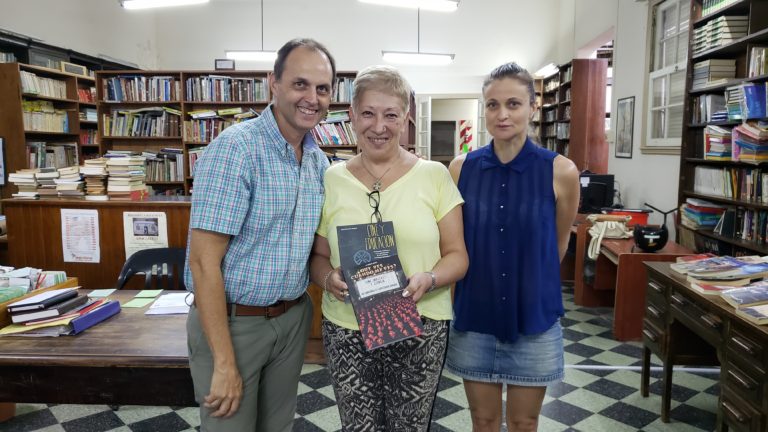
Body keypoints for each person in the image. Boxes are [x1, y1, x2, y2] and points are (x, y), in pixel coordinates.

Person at [184, 38, 335, 432]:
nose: (312, 98)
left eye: (322, 88)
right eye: (300, 84)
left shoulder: (319, 162)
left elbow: (316, 252)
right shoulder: (236, 150)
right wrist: (224, 361)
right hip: (235, 324)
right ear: (274, 83)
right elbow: (203, 262)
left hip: (292, 318)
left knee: (278, 427)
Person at [309, 65, 468, 431]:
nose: (378, 126)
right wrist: (328, 277)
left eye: (391, 115)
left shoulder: (434, 175)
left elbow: (458, 256)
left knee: (408, 426)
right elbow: (317, 258)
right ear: (351, 116)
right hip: (348, 327)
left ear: (406, 119)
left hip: (420, 325)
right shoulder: (332, 178)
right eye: (368, 113)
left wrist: (430, 277)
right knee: (358, 426)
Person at [445, 62, 580, 432]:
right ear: (484, 108)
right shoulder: (461, 169)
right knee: (483, 421)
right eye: (492, 105)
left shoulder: (561, 171)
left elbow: (558, 243)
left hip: (533, 321)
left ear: (533, 108)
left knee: (524, 422)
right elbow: (454, 242)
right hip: (476, 318)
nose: (502, 114)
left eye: (513, 104)